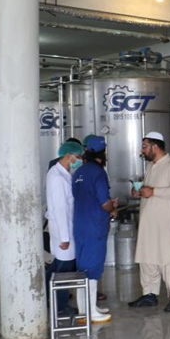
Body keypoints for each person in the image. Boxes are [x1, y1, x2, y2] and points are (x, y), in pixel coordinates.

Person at [129, 131, 170, 312]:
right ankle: (149, 294)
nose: (142, 150)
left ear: (155, 146)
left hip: (167, 224)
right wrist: (139, 192)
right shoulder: (150, 167)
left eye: (145, 146)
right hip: (148, 224)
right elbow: (149, 190)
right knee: (147, 259)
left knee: (169, 260)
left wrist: (153, 191)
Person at [72, 135, 116, 323]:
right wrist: (112, 208)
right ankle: (90, 312)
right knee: (93, 268)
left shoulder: (79, 172)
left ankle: (85, 309)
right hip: (94, 226)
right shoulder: (98, 173)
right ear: (102, 153)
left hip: (80, 225)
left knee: (83, 267)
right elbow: (103, 201)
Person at [44, 141, 83, 317]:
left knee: (57, 267)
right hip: (62, 230)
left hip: (64, 227)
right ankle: (60, 306)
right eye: (78, 156)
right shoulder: (57, 178)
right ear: (69, 156)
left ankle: (45, 295)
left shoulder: (62, 173)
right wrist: (65, 238)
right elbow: (60, 209)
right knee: (64, 269)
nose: (79, 160)